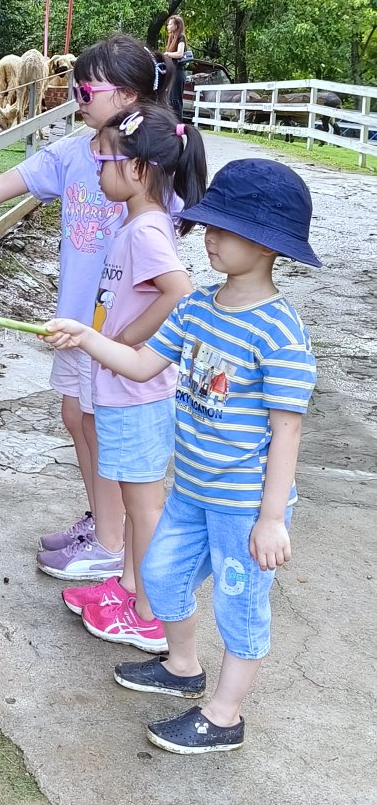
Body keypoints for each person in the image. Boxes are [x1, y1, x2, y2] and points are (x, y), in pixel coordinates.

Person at [43, 158, 319, 754]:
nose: (207, 236)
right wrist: (88, 337)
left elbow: (287, 431)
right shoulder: (197, 309)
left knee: (240, 603)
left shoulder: (279, 332)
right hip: (192, 488)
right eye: (208, 224)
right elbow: (143, 364)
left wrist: (272, 518)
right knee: (162, 577)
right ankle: (182, 665)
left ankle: (224, 716)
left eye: (223, 228)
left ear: (267, 245)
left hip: (244, 503)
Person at [0, 35, 174, 588]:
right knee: (77, 417)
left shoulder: (150, 165)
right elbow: (4, 182)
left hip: (115, 332)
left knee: (104, 426)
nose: (76, 95)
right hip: (76, 321)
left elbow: (172, 262)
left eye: (86, 87)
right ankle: (103, 522)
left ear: (126, 97)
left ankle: (112, 543)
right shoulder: (75, 153)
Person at [66, 104, 206, 654]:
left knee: (144, 506)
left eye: (104, 160)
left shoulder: (147, 230)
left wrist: (127, 341)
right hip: (123, 390)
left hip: (138, 392)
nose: (98, 170)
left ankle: (149, 614)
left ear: (138, 170)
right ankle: (129, 588)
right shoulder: (136, 225)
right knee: (130, 496)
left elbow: (181, 291)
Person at [163, 15, 188, 120]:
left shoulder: (181, 37)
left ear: (177, 26)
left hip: (178, 73)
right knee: (169, 99)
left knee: (175, 99)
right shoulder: (171, 38)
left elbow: (180, 53)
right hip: (172, 72)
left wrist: (168, 54)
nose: (168, 26)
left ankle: (178, 125)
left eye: (170, 24)